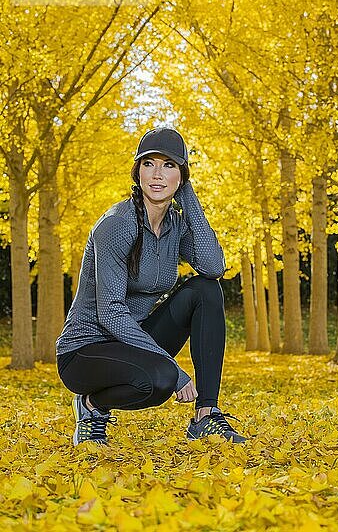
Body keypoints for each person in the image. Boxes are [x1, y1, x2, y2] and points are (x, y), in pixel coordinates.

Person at [56, 127, 247, 446]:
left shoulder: (175, 224)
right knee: (161, 380)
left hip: (134, 340)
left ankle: (205, 415)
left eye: (169, 165)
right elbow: (112, 314)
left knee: (205, 290)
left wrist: (190, 200)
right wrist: (173, 366)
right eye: (149, 164)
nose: (158, 174)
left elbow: (213, 267)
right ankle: (90, 407)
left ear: (181, 176)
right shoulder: (117, 225)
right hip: (85, 351)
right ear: (138, 172)